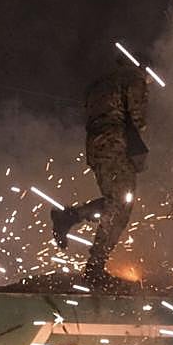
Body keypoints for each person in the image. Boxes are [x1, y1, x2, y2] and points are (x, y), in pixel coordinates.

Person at [51, 56, 149, 286]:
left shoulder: (101, 83)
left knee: (114, 201)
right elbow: (137, 118)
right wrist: (137, 150)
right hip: (117, 144)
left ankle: (71, 217)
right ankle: (94, 268)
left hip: (96, 145)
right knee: (120, 208)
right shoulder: (135, 79)